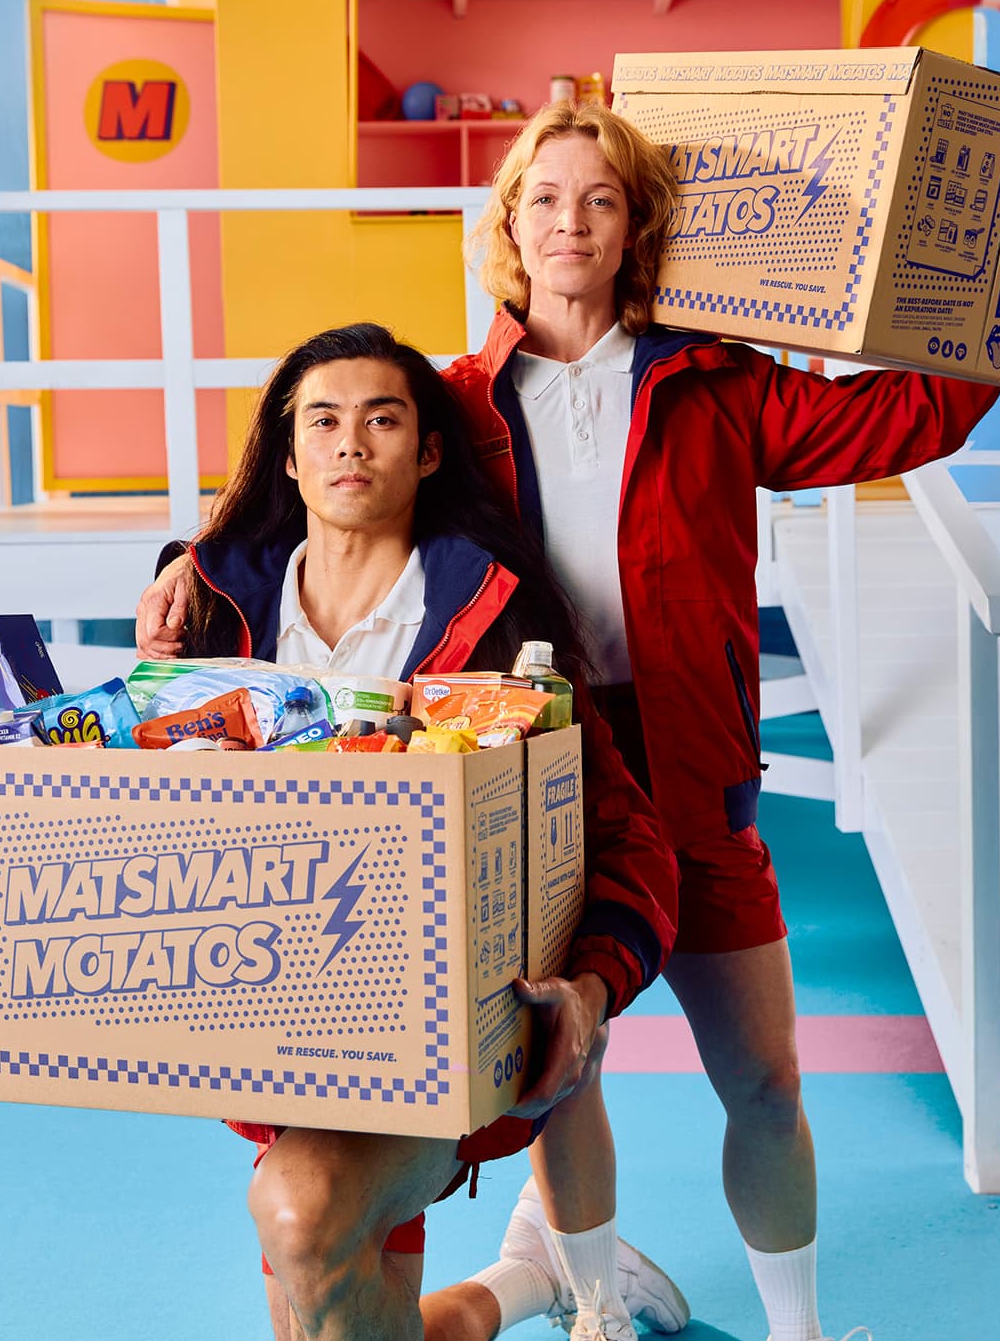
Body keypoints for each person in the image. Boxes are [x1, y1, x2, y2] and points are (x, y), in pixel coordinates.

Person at [148, 104, 1000, 1341]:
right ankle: (594, 1305)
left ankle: (798, 1331)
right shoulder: (453, 403)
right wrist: (184, 560)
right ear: (509, 224)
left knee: (763, 1077)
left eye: (600, 200)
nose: (571, 222)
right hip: (525, 763)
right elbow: (312, 499)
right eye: (546, 199)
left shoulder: (714, 381)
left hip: (694, 761)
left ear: (635, 225)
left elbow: (896, 420)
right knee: (556, 1062)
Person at [164, 322, 691, 1341]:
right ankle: (524, 1284)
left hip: (442, 1039)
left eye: (383, 418)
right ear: (288, 454)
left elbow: (623, 833)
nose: (350, 441)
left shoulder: (495, 619)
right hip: (268, 1039)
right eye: (322, 420)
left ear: (430, 449)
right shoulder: (215, 615)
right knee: (345, 1300)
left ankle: (536, 1277)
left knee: (302, 1214)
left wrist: (591, 988)